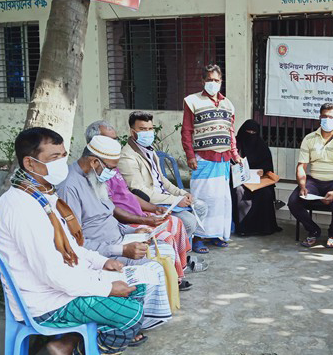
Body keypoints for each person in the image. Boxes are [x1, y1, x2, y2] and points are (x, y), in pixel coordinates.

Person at [0, 127, 143, 355]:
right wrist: (106, 287)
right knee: (132, 315)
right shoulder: (21, 207)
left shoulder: (42, 195)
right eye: (54, 157)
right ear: (30, 162)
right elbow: (53, 274)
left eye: (63, 155)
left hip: (66, 284)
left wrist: (101, 262)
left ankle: (69, 344)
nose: (63, 162)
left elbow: (72, 247)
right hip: (48, 302)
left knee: (137, 287)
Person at [57, 135, 173, 331]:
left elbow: (107, 215)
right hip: (102, 253)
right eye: (111, 168)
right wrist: (121, 249)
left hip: (120, 239)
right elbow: (75, 243)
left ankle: (144, 316)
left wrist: (133, 231)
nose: (113, 173)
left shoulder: (94, 177)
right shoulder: (70, 187)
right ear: (94, 162)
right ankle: (135, 322)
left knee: (165, 249)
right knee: (152, 268)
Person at [85, 121, 207, 291]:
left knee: (181, 220)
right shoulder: (105, 169)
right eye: (144, 129)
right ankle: (174, 277)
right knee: (175, 229)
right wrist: (154, 212)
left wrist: (156, 207)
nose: (115, 143)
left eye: (115, 139)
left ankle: (180, 269)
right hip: (128, 220)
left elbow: (132, 193)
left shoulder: (116, 163)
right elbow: (115, 207)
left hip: (142, 210)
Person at [118, 111, 210, 255]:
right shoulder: (127, 157)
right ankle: (176, 255)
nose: (147, 133)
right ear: (133, 132)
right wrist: (175, 200)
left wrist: (183, 193)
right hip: (152, 204)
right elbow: (141, 192)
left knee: (201, 206)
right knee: (189, 221)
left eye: (150, 129)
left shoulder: (149, 151)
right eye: (142, 129)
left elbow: (163, 181)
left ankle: (186, 248)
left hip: (166, 198)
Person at [181, 64, 242, 246]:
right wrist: (190, 155)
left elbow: (230, 132)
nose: (213, 83)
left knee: (220, 200)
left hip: (223, 160)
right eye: (209, 80)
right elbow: (186, 131)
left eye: (216, 80)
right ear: (202, 81)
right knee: (202, 199)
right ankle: (198, 237)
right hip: (203, 158)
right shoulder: (192, 101)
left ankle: (216, 235)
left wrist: (235, 154)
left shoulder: (228, 104)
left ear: (221, 81)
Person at [287, 103, 333, 249]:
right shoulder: (309, 139)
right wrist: (303, 186)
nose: (327, 119)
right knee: (293, 201)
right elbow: (301, 166)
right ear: (319, 118)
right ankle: (313, 230)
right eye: (324, 116)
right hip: (314, 181)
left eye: (331, 117)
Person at [232, 119, 282, 236]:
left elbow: (267, 165)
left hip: (258, 180)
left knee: (266, 193)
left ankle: (264, 228)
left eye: (253, 133)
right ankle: (243, 228)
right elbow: (231, 163)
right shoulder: (235, 146)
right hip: (239, 179)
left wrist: (261, 171)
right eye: (247, 132)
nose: (250, 135)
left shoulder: (261, 146)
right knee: (239, 191)